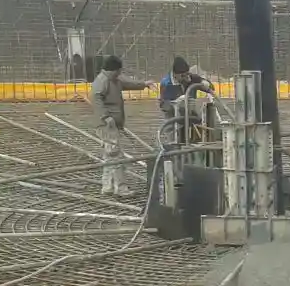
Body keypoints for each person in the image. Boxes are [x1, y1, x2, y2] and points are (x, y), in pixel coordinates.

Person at [90, 55, 153, 197]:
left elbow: (129, 84)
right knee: (116, 156)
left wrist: (144, 84)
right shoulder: (102, 81)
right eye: (119, 70)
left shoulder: (114, 80)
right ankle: (121, 188)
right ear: (112, 70)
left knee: (109, 155)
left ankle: (107, 186)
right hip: (107, 126)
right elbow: (96, 98)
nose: (120, 73)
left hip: (113, 125)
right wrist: (106, 116)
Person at [159, 56, 213, 143]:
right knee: (173, 142)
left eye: (187, 74)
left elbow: (210, 87)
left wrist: (205, 83)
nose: (186, 77)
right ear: (175, 74)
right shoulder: (166, 83)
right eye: (183, 75)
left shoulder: (190, 78)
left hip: (191, 119)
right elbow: (163, 105)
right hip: (174, 120)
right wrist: (176, 103)